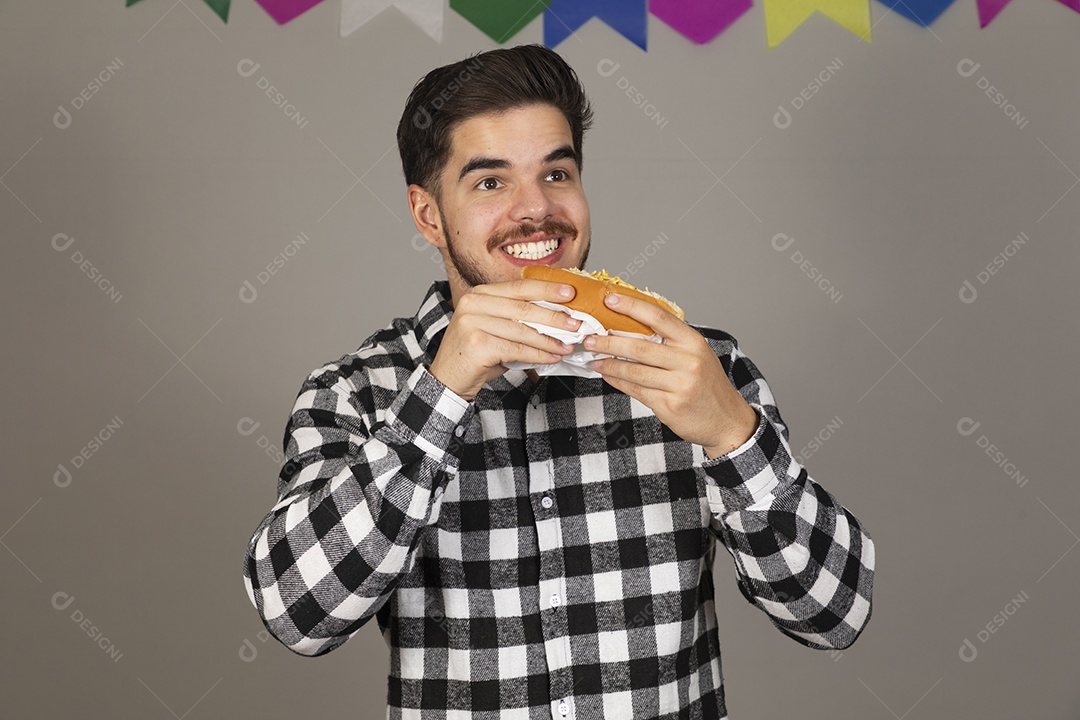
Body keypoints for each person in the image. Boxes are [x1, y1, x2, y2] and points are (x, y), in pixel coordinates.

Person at [242, 44, 874, 719]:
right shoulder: (356, 390)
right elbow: (298, 615)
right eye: (490, 182)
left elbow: (833, 615)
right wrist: (443, 391)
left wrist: (732, 436)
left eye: (557, 173)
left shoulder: (696, 369)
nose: (536, 209)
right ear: (428, 215)